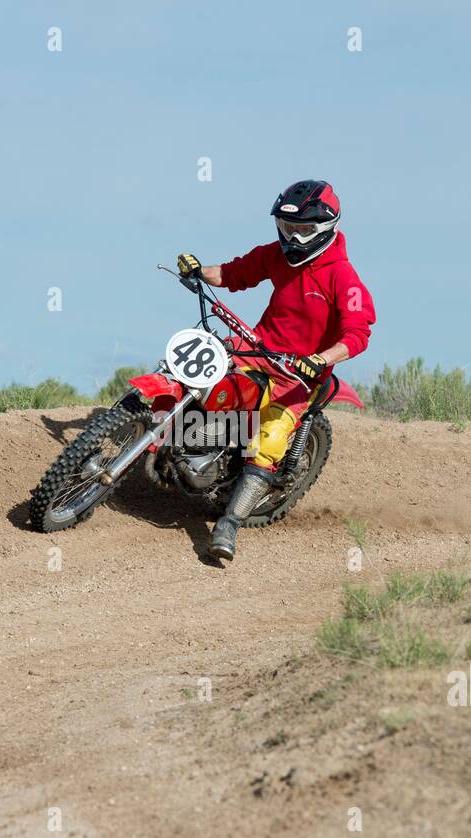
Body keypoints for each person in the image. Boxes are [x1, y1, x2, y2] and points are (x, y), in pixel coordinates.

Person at [176, 179, 376, 560]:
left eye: (303, 230)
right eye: (287, 229)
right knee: (193, 370)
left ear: (324, 228)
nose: (294, 239)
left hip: (297, 376)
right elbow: (237, 273)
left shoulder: (343, 278)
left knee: (268, 440)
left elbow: (357, 334)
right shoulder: (277, 256)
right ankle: (176, 437)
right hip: (255, 349)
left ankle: (228, 525)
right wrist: (201, 271)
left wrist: (321, 358)